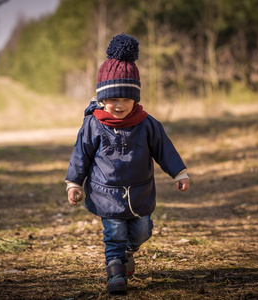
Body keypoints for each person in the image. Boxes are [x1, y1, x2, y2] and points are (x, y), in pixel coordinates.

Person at [65, 33, 190, 295]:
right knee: (114, 234)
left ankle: (127, 253)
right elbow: (81, 154)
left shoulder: (146, 123)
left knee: (143, 230)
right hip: (105, 193)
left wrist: (179, 173)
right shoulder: (93, 124)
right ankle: (115, 274)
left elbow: (163, 149)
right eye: (112, 99)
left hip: (140, 192)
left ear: (136, 98)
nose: (119, 105)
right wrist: (74, 183)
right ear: (102, 98)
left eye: (125, 98)